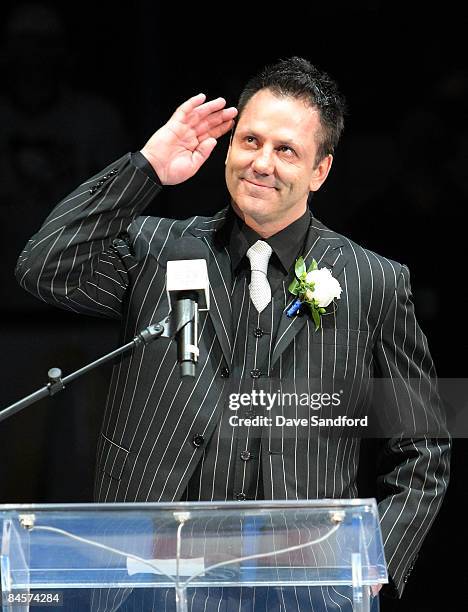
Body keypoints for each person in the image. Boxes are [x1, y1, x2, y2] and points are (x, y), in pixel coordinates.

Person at [16, 57, 450, 611]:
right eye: (250, 141)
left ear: (321, 171)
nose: (261, 163)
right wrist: (146, 168)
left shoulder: (374, 281)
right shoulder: (157, 250)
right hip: (145, 579)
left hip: (302, 587)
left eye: (286, 149)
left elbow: (424, 443)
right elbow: (44, 267)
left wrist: (373, 558)